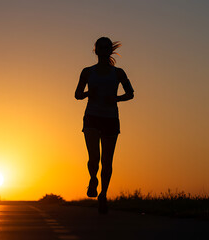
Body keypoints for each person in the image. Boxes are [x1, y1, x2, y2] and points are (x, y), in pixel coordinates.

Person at [74, 37, 135, 214]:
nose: (103, 49)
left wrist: (115, 98)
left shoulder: (118, 73)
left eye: (106, 47)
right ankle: (93, 178)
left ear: (110, 50)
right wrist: (87, 93)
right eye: (100, 47)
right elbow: (77, 94)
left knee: (107, 161)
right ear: (96, 50)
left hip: (110, 119)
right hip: (92, 117)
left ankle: (103, 195)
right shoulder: (87, 72)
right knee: (94, 157)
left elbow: (130, 93)